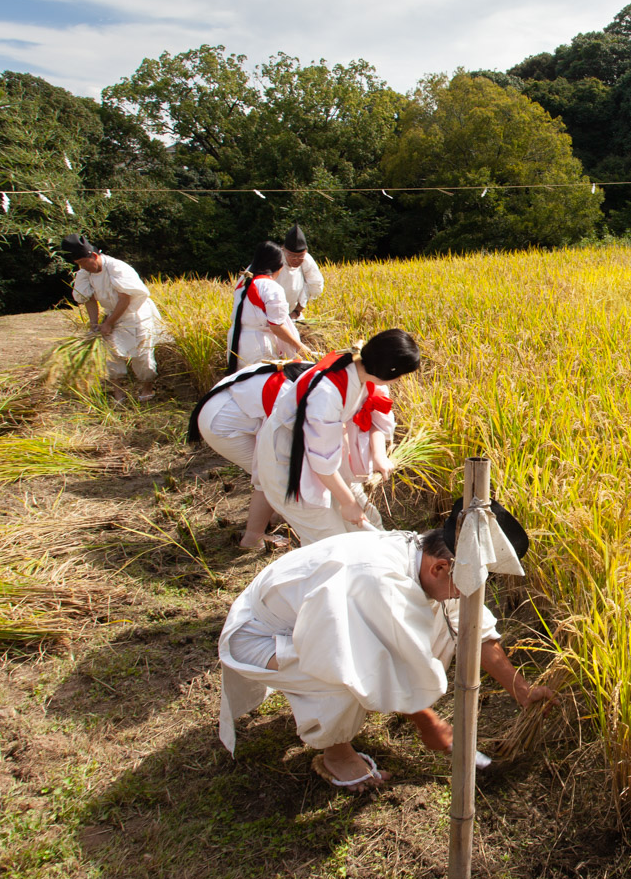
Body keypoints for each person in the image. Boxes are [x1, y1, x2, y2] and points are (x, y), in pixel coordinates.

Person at [217, 527, 556, 790]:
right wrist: (430, 724)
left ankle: (331, 709)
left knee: (443, 620)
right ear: (440, 567)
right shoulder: (376, 581)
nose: (464, 595)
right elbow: (372, 662)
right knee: (342, 673)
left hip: (309, 618)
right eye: (463, 587)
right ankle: (336, 753)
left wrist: (522, 691)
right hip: (261, 637)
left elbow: (474, 627)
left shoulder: (429, 558)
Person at [254, 329, 421, 546]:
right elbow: (321, 461)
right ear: (389, 371)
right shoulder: (327, 393)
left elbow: (373, 416)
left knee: (369, 521)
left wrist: (379, 456)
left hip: (324, 454)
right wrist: (347, 502)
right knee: (329, 542)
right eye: (401, 375)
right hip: (289, 460)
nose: (399, 380)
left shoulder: (365, 370)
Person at [188, 361, 311, 550]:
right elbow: (274, 445)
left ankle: (274, 513)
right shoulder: (289, 395)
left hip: (224, 408)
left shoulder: (304, 372)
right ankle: (253, 538)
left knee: (274, 473)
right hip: (222, 423)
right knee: (272, 474)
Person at [62, 234, 170, 402]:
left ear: (95, 256)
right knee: (111, 354)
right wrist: (95, 324)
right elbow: (89, 299)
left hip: (136, 314)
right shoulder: (85, 273)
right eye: (79, 264)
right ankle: (118, 392)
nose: (82, 267)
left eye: (84, 262)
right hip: (112, 313)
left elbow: (125, 298)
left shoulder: (117, 268)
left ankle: (147, 389)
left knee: (142, 353)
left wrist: (109, 323)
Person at [226, 242, 308, 374]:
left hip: (235, 341)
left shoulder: (242, 283)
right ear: (279, 265)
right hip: (257, 345)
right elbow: (277, 326)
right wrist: (301, 347)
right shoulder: (270, 287)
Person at [335, 379, 397, 531]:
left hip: (351, 462)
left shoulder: (378, 385)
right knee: (348, 522)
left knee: (369, 517)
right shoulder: (333, 387)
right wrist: (348, 503)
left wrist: (379, 455)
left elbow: (376, 420)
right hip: (331, 464)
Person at [279, 224, 325, 319]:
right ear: (284, 250)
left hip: (292, 313)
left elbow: (314, 285)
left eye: (300, 255)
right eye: (291, 255)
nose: (296, 259)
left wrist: (296, 312)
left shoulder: (307, 260)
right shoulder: (274, 259)